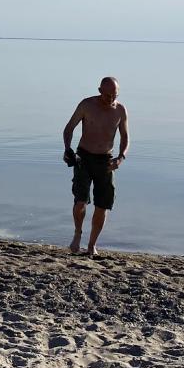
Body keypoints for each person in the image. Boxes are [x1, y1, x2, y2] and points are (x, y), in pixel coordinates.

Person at [62, 76, 129, 257]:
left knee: (102, 205)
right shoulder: (87, 105)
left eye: (115, 95)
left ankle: (92, 245)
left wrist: (120, 158)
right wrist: (68, 149)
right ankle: (77, 234)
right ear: (100, 91)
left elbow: (125, 137)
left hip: (106, 161)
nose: (111, 99)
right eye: (108, 95)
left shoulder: (120, 110)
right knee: (81, 200)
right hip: (84, 157)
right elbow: (68, 129)